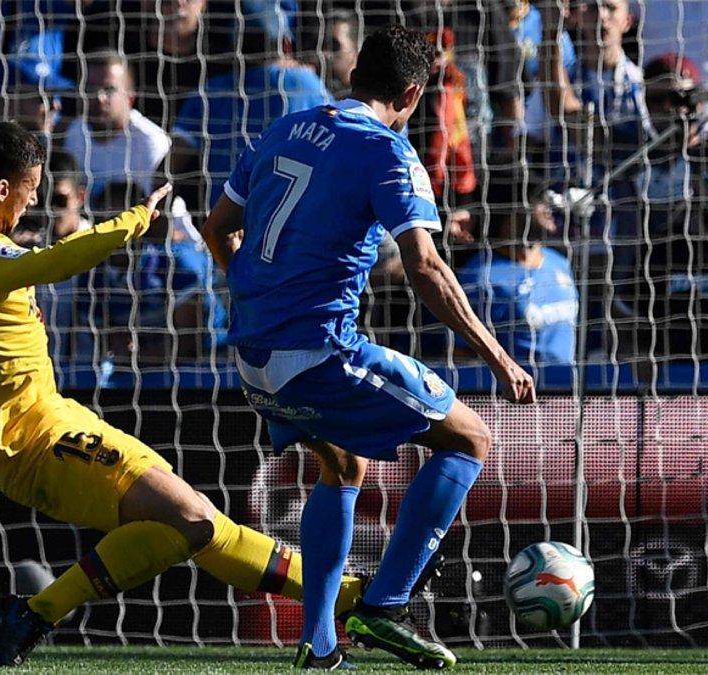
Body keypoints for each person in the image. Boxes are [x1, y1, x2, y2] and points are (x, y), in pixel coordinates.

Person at [0, 121, 367, 668]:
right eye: (30, 190)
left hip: (51, 422)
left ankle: (352, 598)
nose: (29, 205)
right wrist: (134, 220)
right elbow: (51, 263)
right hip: (31, 440)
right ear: (3, 188)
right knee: (190, 521)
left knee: (196, 522)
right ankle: (38, 612)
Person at [202, 25, 535, 669]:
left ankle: (321, 645)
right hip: (321, 354)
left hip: (252, 356)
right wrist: (498, 356)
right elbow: (428, 270)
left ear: (355, 76)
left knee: (343, 466)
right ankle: (386, 606)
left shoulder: (284, 129)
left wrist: (253, 291)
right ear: (413, 93)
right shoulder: (386, 149)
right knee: (471, 439)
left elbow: (218, 229)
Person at [172, 0, 332, 209]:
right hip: (288, 222)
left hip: (224, 227)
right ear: (285, 43)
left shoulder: (210, 92)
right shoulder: (304, 84)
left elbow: (169, 166)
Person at [457, 176, 579, 366]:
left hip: (566, 391)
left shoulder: (559, 262)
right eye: (537, 200)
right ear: (513, 210)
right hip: (519, 390)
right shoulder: (480, 277)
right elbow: (463, 353)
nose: (548, 206)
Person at [63, 51, 172, 204]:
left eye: (109, 90)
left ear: (130, 98)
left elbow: (158, 209)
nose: (99, 98)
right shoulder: (75, 132)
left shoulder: (150, 142)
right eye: (90, 89)